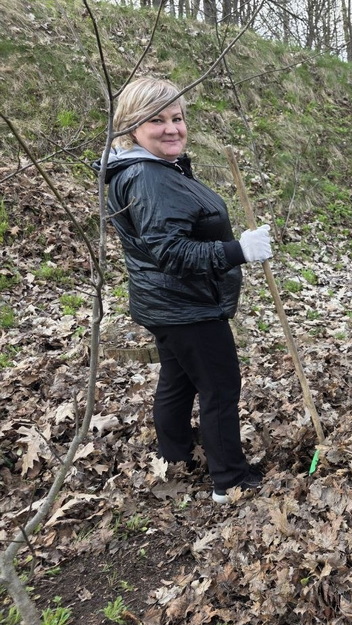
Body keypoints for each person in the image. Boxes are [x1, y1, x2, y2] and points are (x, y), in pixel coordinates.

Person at [99, 77, 272, 504]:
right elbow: (172, 253)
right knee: (220, 387)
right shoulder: (147, 176)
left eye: (177, 118)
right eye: (156, 120)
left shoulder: (148, 167)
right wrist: (238, 250)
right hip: (187, 305)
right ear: (131, 127)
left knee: (177, 380)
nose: (172, 128)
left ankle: (175, 455)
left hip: (164, 301)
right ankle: (229, 480)